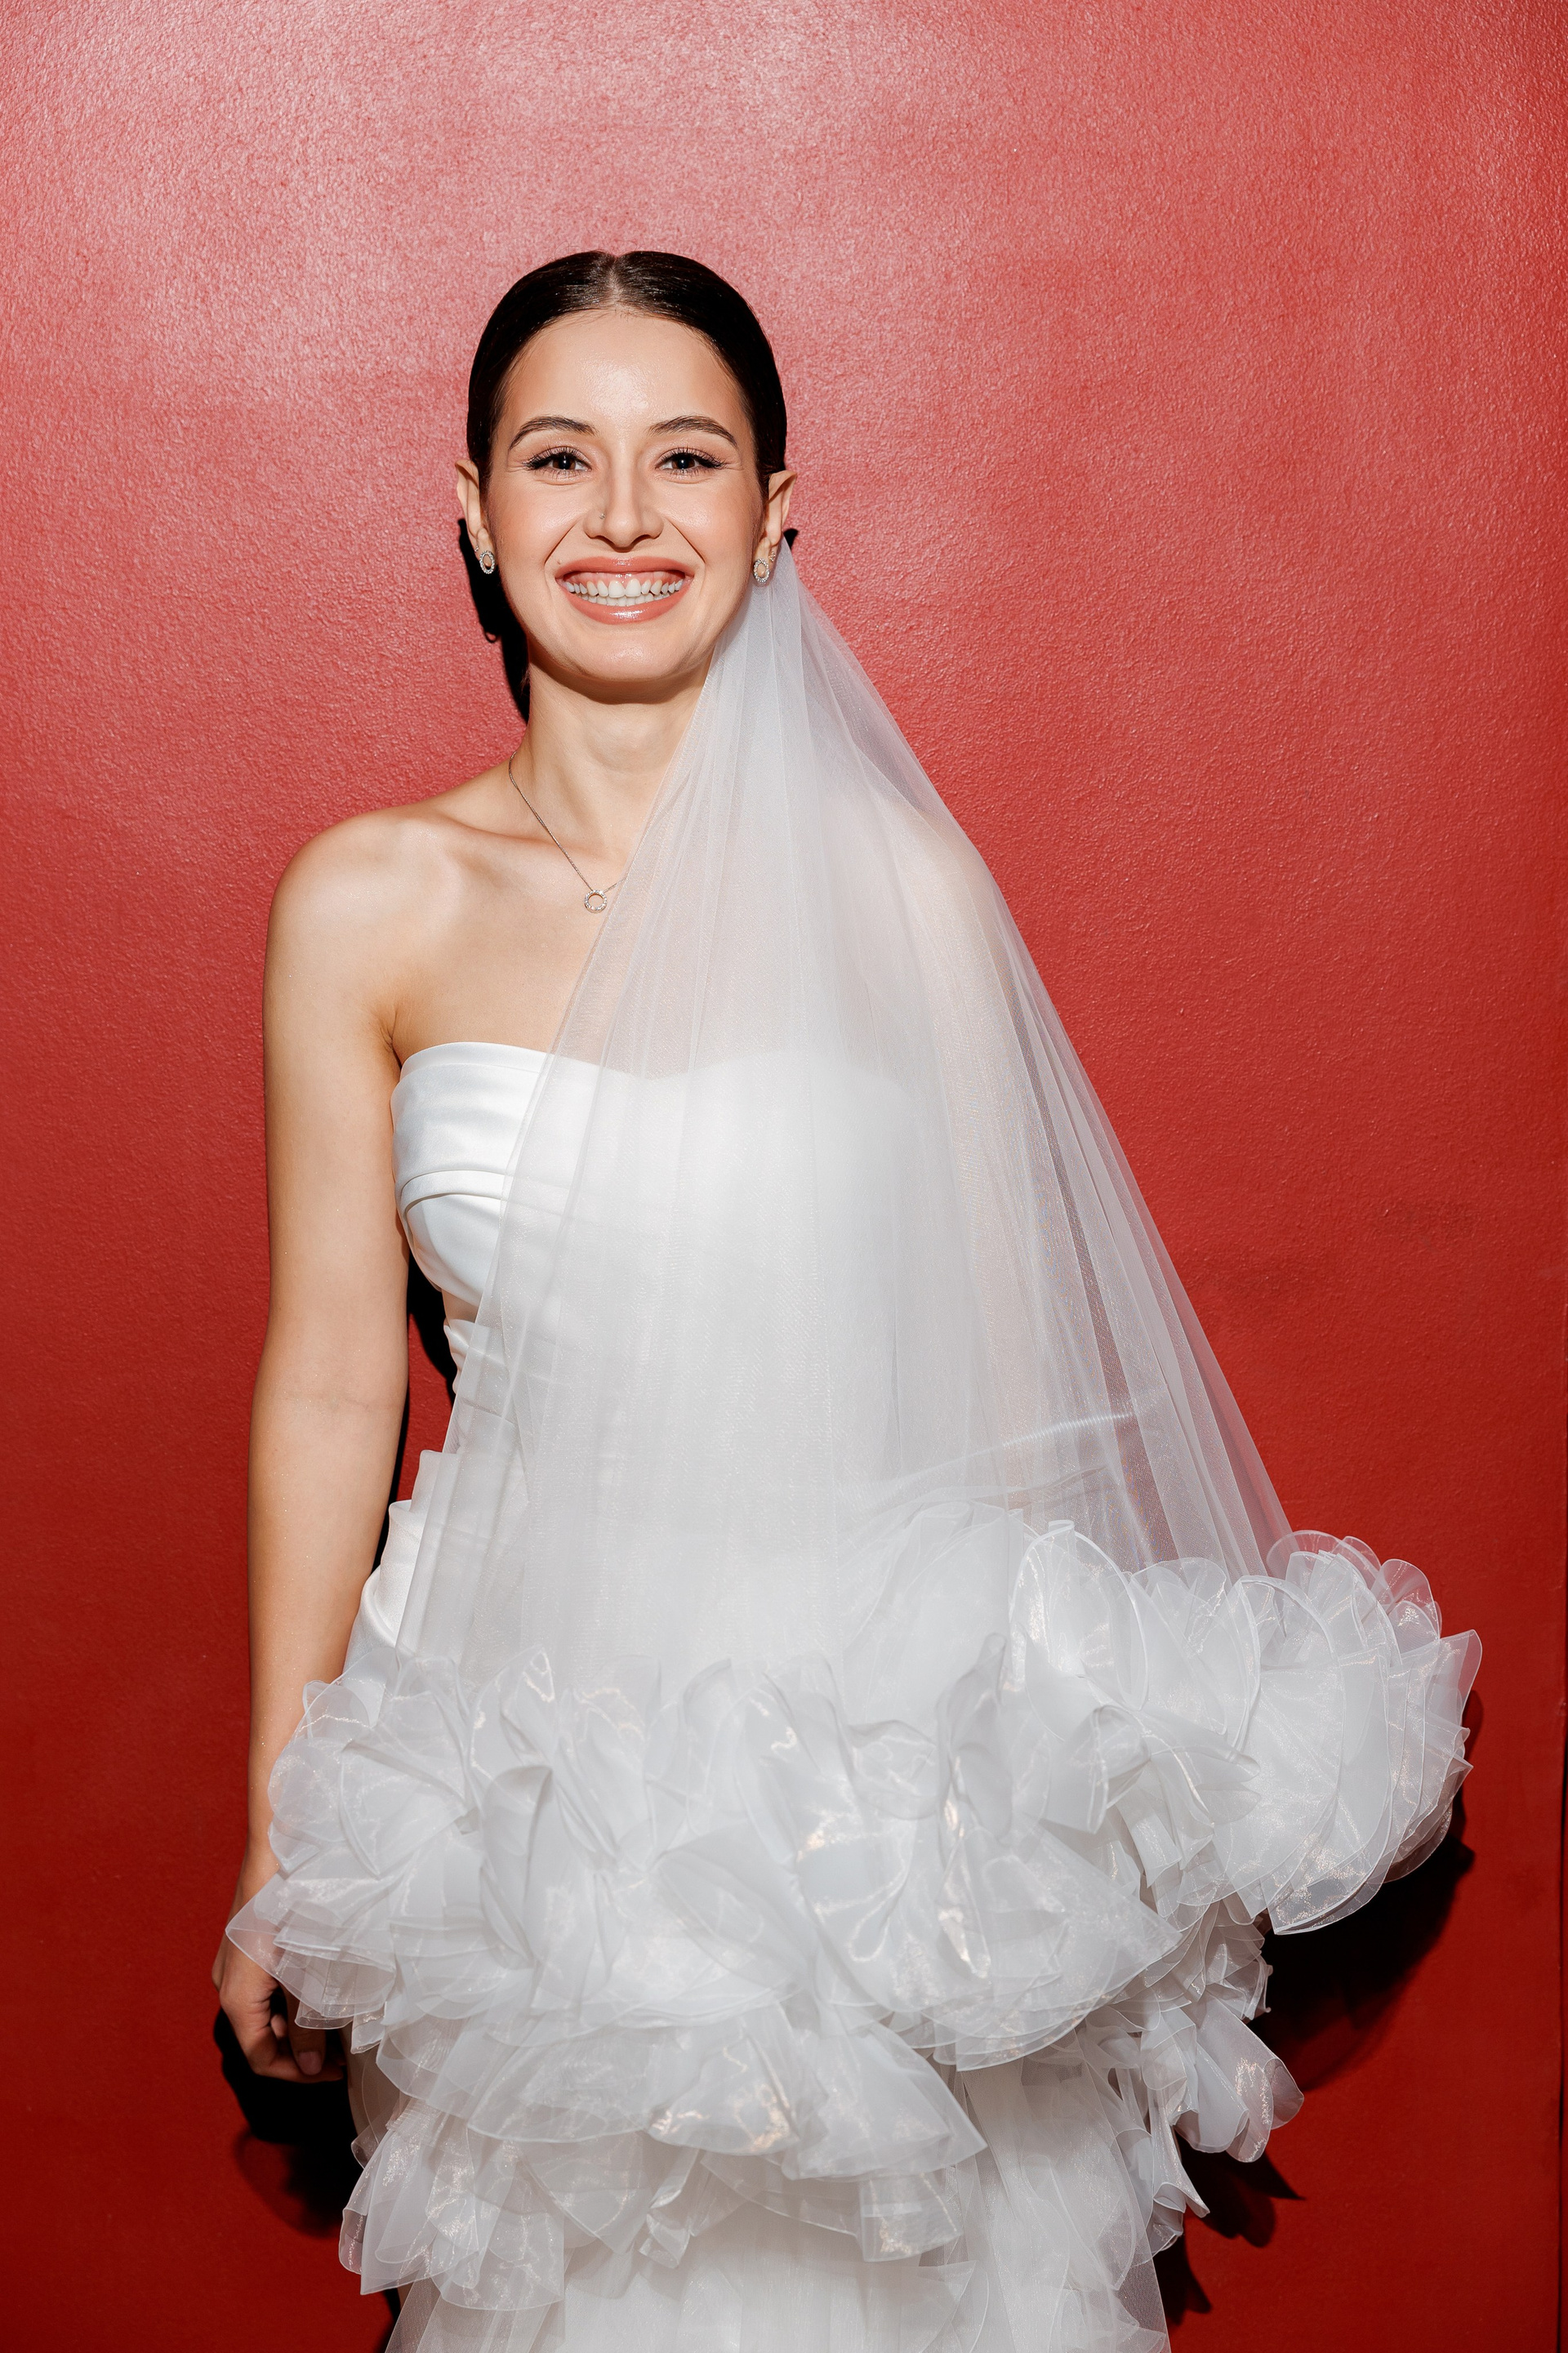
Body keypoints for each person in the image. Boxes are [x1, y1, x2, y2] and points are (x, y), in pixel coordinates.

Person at [216, 251, 1478, 2353]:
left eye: (688, 457)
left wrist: (1002, 1817)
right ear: (473, 510)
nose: (625, 514)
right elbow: (334, 1388)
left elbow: (1000, 1376)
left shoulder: (907, 892)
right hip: (526, 1765)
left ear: (776, 509)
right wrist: (285, 1827)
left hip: (866, 1750)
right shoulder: (369, 900)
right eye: (561, 458)